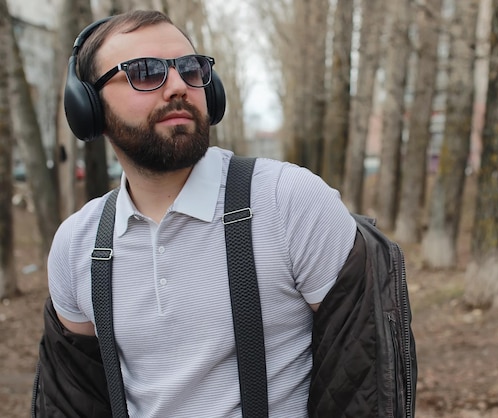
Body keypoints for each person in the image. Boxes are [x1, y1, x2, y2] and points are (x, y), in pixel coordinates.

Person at [43, 9, 357, 418]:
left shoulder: (289, 201)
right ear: (87, 107)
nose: (178, 86)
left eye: (191, 69)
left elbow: (361, 379)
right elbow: (75, 399)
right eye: (144, 71)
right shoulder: (76, 245)